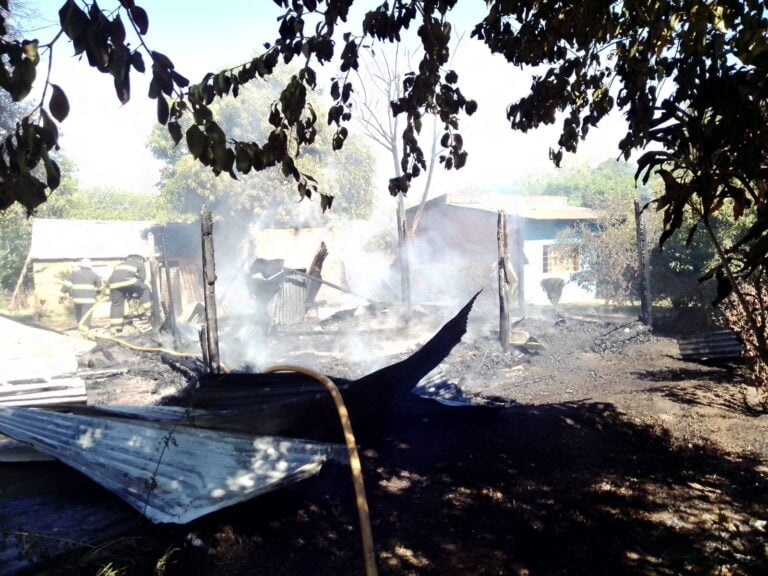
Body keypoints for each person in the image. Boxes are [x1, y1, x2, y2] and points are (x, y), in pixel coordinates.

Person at [107, 254, 152, 333]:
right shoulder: (139, 263)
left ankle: (116, 327)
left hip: (113, 284)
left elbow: (112, 278)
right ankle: (149, 311)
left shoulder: (119, 265)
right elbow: (142, 278)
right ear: (140, 259)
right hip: (128, 281)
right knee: (145, 288)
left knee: (117, 304)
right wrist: (135, 292)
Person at [60, 259, 102, 332]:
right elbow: (100, 287)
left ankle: (79, 325)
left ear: (81, 266)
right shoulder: (94, 275)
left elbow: (66, 285)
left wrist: (61, 294)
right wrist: (98, 294)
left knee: (79, 312)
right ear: (90, 266)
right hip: (89, 300)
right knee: (86, 313)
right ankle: (84, 328)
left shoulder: (74, 274)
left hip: (77, 299)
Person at [248, 258, 287, 336]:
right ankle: (265, 332)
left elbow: (269, 281)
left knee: (265, 314)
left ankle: (267, 331)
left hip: (265, 296)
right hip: (263, 296)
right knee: (263, 314)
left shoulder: (262, 273)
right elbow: (266, 281)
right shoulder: (256, 274)